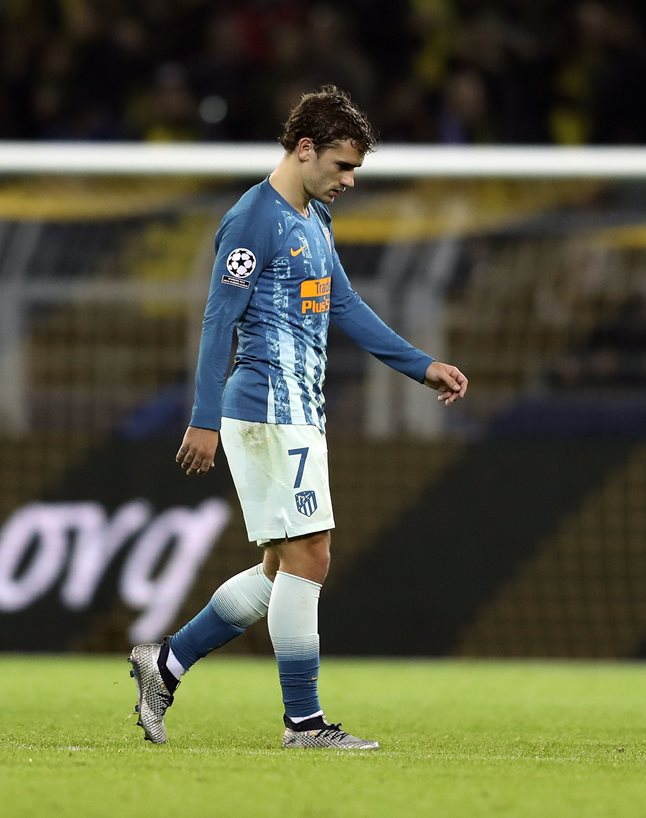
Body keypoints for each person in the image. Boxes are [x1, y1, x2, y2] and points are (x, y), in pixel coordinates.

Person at [127, 85, 468, 751]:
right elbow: (217, 320)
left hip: (299, 413)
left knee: (282, 570)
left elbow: (342, 303)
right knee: (312, 554)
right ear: (304, 149)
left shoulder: (314, 220)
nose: (348, 181)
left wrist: (420, 364)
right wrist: (201, 418)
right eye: (342, 166)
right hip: (263, 410)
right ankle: (304, 722)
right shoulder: (253, 220)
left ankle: (163, 664)